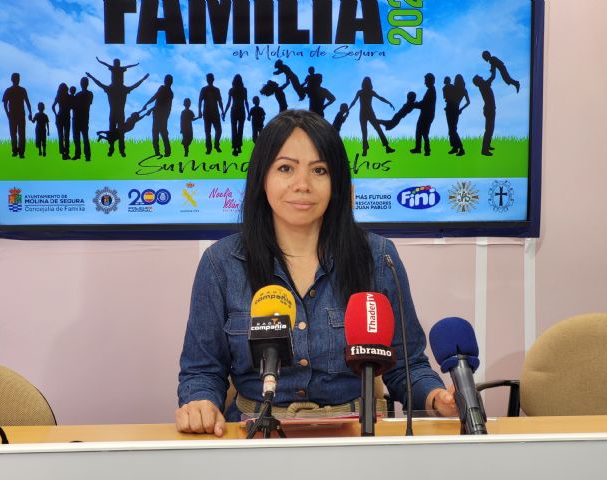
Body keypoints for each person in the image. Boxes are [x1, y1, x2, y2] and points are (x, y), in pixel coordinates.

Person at [175, 109, 457, 436]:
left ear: (336, 182)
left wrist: (437, 397)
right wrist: (200, 403)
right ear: (261, 178)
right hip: (255, 437)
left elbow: (406, 367)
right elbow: (201, 372)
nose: (302, 185)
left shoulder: (378, 258)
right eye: (285, 168)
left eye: (319, 170)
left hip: (355, 436)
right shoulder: (221, 263)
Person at [348, 77, 395, 157]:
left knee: (374, 130)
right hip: (365, 113)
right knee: (367, 131)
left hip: (368, 113)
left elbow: (380, 98)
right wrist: (348, 109)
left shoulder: (369, 92)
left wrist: (388, 102)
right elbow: (354, 101)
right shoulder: (361, 92)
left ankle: (385, 147)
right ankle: (366, 149)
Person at [142, 74, 174, 157]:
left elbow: (156, 99)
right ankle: (164, 152)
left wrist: (148, 106)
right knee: (161, 133)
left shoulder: (164, 90)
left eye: (166, 80)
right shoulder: (169, 92)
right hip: (160, 115)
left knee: (158, 132)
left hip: (160, 115)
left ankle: (161, 152)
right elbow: (160, 103)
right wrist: (148, 106)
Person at [2, 72, 32, 158]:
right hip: (15, 115)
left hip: (18, 115)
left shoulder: (19, 90)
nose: (17, 80)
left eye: (17, 79)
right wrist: (8, 114)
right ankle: (18, 152)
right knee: (17, 133)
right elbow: (5, 103)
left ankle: (18, 152)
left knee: (17, 133)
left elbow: (27, 102)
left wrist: (30, 112)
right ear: (13, 80)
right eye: (16, 79)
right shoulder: (13, 90)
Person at [222, 74, 249, 156]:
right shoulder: (244, 90)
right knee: (240, 129)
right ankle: (239, 147)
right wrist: (248, 113)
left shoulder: (231, 90)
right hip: (241, 110)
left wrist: (224, 112)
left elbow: (229, 102)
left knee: (234, 128)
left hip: (234, 110)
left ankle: (234, 147)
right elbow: (246, 102)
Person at [410, 73, 436, 157]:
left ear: (430, 80)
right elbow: (424, 103)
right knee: (423, 132)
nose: (425, 83)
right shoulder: (431, 90)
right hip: (427, 114)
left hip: (426, 115)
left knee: (422, 132)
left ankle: (421, 149)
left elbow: (424, 104)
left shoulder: (431, 91)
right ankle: (424, 150)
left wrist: (414, 105)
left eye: (426, 81)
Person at [198, 73, 224, 155]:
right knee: (208, 131)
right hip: (208, 113)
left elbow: (220, 101)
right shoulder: (204, 89)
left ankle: (215, 145)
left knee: (218, 131)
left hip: (215, 113)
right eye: (209, 78)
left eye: (211, 78)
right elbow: (200, 101)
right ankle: (209, 148)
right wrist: (199, 112)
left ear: (212, 79)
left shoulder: (216, 90)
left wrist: (222, 111)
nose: (210, 79)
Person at [72, 77, 94, 161]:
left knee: (84, 137)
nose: (83, 84)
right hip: (77, 118)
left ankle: (86, 156)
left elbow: (87, 103)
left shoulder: (88, 94)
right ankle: (79, 154)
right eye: (82, 82)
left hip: (83, 118)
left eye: (84, 82)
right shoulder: (79, 94)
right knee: (77, 137)